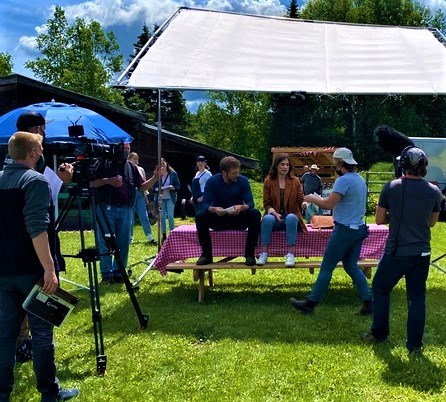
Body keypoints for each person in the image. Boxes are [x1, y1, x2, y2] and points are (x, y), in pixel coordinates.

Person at [0, 132, 79, 402]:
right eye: (41, 148)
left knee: (5, 335)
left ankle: (2, 393)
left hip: (3, 271)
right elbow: (38, 227)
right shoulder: (35, 181)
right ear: (34, 152)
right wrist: (49, 268)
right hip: (32, 270)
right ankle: (50, 393)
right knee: (42, 334)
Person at [364, 146, 442, 354]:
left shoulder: (391, 187)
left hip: (397, 252)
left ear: (402, 165)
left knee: (381, 288)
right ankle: (415, 345)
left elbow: (380, 219)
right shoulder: (435, 192)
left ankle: (379, 333)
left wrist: (395, 216)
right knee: (417, 297)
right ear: (424, 167)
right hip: (422, 253)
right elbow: (432, 223)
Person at [290, 147, 373, 315]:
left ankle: (310, 303)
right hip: (359, 229)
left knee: (327, 266)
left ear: (340, 163)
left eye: (336, 162)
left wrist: (311, 198)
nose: (335, 166)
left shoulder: (344, 181)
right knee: (351, 266)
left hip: (344, 230)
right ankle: (369, 302)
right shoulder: (359, 179)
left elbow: (328, 205)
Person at [90, 143, 158, 284]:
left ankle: (119, 272)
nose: (126, 151)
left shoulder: (131, 167)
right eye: (124, 149)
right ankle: (106, 274)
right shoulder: (104, 163)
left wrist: (155, 177)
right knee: (106, 242)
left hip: (126, 208)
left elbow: (142, 186)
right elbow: (92, 183)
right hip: (106, 207)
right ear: (117, 149)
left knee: (123, 242)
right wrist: (108, 181)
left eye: (128, 149)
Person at [195, 156, 261, 266]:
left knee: (255, 213)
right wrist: (214, 209)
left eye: (238, 172)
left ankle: (249, 254)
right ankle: (206, 255)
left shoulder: (243, 181)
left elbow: (250, 203)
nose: (237, 175)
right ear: (224, 173)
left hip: (238, 219)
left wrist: (241, 207)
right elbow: (205, 204)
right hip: (219, 219)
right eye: (234, 173)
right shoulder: (213, 181)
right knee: (200, 216)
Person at [257, 153, 307, 267]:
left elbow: (300, 198)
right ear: (276, 166)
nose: (285, 167)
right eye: (282, 164)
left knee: (291, 217)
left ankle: (290, 254)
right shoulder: (268, 181)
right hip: (274, 216)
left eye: (287, 165)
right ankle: (264, 253)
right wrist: (274, 213)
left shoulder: (295, 181)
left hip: (291, 216)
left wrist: (304, 203)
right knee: (267, 219)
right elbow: (266, 204)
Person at [127, 152, 156, 245]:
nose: (135, 160)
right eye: (133, 158)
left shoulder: (141, 169)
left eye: (136, 159)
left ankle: (149, 236)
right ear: (129, 159)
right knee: (130, 216)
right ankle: (130, 237)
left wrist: (146, 197)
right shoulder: (127, 168)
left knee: (144, 215)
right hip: (130, 194)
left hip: (140, 193)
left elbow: (144, 184)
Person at [151, 158, 181, 243]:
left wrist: (173, 187)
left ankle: (172, 233)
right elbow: (153, 187)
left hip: (170, 197)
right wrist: (157, 189)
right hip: (160, 198)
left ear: (167, 164)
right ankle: (164, 235)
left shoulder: (173, 174)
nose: (162, 166)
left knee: (170, 216)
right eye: (160, 165)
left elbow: (178, 186)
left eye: (163, 164)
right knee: (162, 217)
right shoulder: (156, 175)